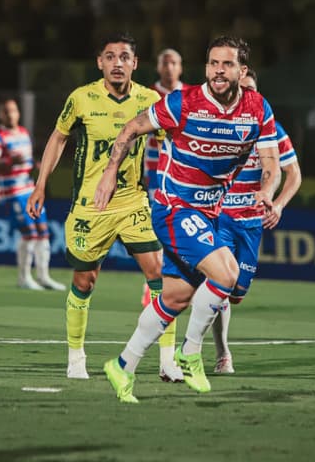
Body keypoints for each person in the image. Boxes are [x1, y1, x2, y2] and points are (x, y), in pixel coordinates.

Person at [97, 36, 281, 403]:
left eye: (226, 65)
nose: (217, 71)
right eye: (213, 63)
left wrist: (267, 190)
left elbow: (272, 161)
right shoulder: (184, 102)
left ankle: (123, 365)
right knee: (225, 274)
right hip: (173, 206)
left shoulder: (257, 108)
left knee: (177, 297)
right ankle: (191, 352)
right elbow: (131, 128)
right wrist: (110, 172)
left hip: (208, 213)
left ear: (241, 71)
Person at [27, 33, 183, 382]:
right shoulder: (81, 98)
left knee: (162, 275)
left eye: (124, 57)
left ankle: (167, 360)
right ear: (100, 63)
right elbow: (58, 137)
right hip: (90, 205)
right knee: (85, 280)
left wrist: (174, 187)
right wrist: (40, 185)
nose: (117, 63)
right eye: (110, 57)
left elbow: (170, 142)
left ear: (134, 63)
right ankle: (76, 357)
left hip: (133, 201)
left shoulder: (149, 98)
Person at [211, 69, 303, 374]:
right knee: (220, 284)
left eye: (251, 90)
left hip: (252, 224)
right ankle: (221, 353)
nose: (246, 96)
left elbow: (294, 175)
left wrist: (278, 204)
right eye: (242, 90)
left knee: (237, 294)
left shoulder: (273, 130)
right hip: (220, 217)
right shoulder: (219, 125)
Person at [0, 97, 65, 291]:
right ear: (0, 114)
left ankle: (44, 276)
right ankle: (24, 277)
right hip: (12, 192)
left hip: (30, 190)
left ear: (18, 113)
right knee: (30, 234)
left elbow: (25, 161)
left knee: (43, 232)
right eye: (6, 111)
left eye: (13, 110)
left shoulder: (23, 133)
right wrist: (9, 162)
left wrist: (33, 166)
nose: (10, 114)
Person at [140, 48, 196, 307]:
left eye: (174, 62)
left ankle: (183, 280)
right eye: (165, 62)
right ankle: (154, 283)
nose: (169, 67)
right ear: (158, 67)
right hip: (155, 174)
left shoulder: (190, 96)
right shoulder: (147, 95)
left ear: (181, 67)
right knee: (160, 228)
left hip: (186, 176)